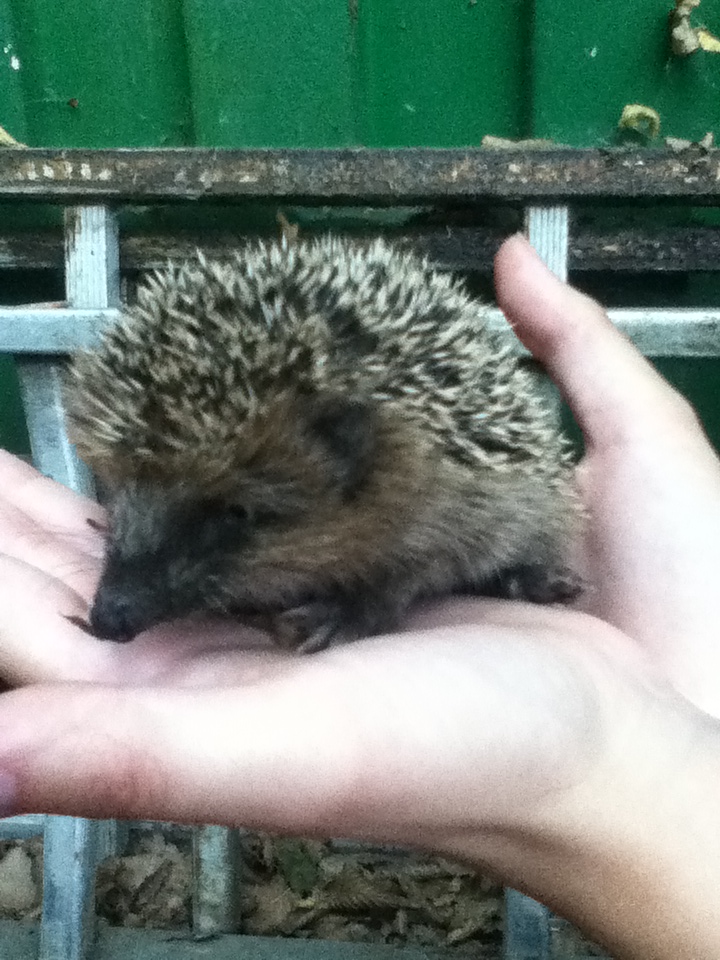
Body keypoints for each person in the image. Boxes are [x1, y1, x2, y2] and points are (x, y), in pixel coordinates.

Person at [0, 234, 718, 960]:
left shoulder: (408, 471)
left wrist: (367, 602)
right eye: (124, 503)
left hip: (472, 531)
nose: (113, 605)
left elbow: (431, 527)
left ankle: (515, 577)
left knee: (499, 539)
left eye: (230, 521)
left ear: (352, 466)